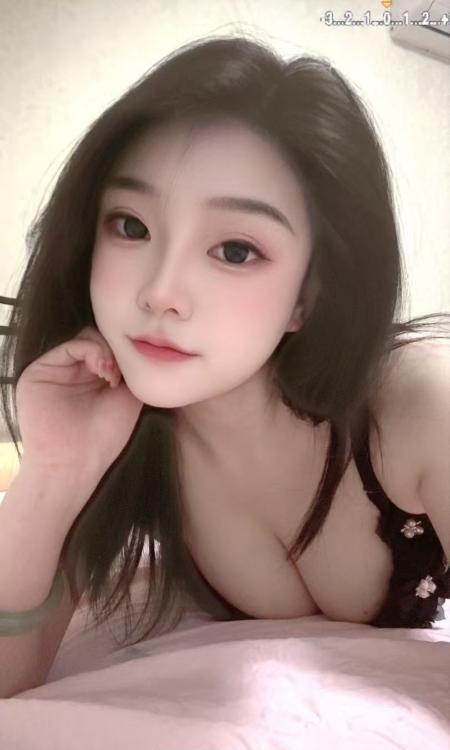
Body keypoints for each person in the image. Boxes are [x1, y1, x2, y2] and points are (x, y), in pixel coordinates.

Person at [0, 35, 449, 694]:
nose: (160, 293)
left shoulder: (421, 405)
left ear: (308, 293)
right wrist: (54, 474)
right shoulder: (119, 425)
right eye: (130, 226)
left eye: (236, 250)